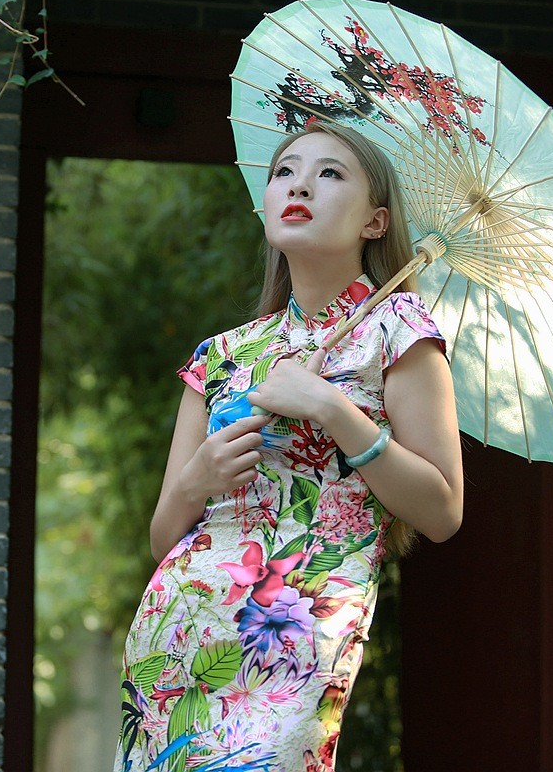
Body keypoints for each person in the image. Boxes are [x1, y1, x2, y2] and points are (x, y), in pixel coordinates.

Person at [114, 121, 463, 772]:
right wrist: (197, 479)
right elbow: (166, 537)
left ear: (376, 222)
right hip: (178, 629)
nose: (299, 184)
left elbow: (442, 510)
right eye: (285, 171)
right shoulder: (222, 355)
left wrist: (332, 408)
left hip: (297, 638)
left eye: (330, 173)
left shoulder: (399, 331)